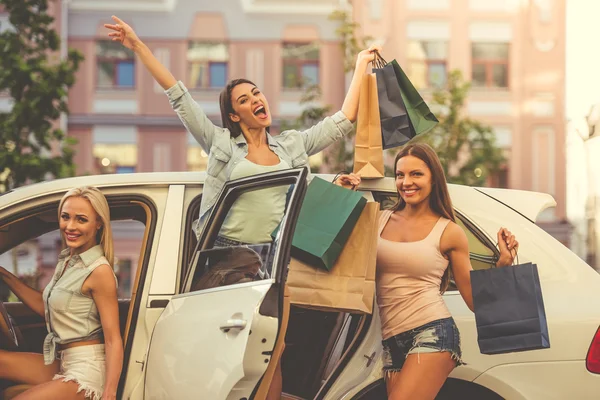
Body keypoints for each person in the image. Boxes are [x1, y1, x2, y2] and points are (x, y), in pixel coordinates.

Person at [104, 16, 380, 241]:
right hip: (225, 255)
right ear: (234, 116)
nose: (256, 100)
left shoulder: (292, 144)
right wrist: (137, 46)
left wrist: (360, 65)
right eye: (244, 100)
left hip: (275, 255)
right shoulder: (220, 143)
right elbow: (179, 95)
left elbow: (343, 120)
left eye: (257, 93)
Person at [335, 143, 518, 400]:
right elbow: (336, 252)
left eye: (416, 174)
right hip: (390, 340)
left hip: (433, 333)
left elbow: (475, 301)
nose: (406, 182)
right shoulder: (378, 220)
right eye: (400, 175)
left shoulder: (449, 232)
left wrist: (503, 265)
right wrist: (339, 196)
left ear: (433, 178)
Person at [0, 187, 122, 400]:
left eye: (81, 219)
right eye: (65, 217)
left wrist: (109, 394)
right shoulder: (68, 261)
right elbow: (44, 307)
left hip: (87, 371)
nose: (70, 226)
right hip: (62, 359)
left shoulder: (99, 271)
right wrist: (4, 275)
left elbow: (113, 339)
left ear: (99, 223)